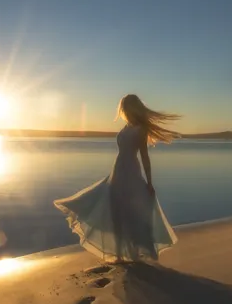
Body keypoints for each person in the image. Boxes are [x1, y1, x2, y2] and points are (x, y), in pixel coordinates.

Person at [54, 94, 180, 264]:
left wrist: (149, 182)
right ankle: (120, 254)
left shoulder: (140, 129)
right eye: (123, 108)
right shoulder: (127, 127)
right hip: (118, 171)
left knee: (130, 213)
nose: (123, 111)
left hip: (131, 172)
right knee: (115, 211)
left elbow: (144, 156)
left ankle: (133, 252)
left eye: (125, 108)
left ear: (131, 108)